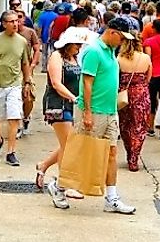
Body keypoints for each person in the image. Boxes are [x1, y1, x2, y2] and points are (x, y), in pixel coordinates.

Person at [48, 17, 139, 214]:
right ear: (113, 32)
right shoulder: (94, 51)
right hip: (93, 110)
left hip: (109, 111)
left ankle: (112, 198)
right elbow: (87, 83)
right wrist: (87, 111)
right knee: (82, 152)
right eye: (122, 38)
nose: (123, 42)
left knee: (112, 153)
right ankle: (59, 186)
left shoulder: (110, 52)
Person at [36, 28, 87, 209]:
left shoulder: (75, 58)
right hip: (58, 104)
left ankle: (44, 166)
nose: (79, 48)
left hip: (73, 105)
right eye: (76, 45)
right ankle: (64, 184)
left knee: (69, 143)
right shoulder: (56, 57)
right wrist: (72, 97)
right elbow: (56, 83)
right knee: (70, 144)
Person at [0, 10, 32, 167]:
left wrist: (27, 82)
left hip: (14, 84)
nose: (15, 24)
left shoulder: (22, 41)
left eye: (17, 21)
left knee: (14, 117)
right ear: (3, 24)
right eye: (11, 21)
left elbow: (25, 63)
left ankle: (11, 152)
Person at [115, 20, 153, 171]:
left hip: (124, 94)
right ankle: (134, 157)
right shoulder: (145, 58)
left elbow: (115, 78)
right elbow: (148, 78)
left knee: (125, 126)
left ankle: (129, 151)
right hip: (141, 94)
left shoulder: (118, 59)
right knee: (139, 126)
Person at [17, 14, 42, 137]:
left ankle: (26, 117)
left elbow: (37, 49)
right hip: (12, 69)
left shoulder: (30, 32)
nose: (17, 19)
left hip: (26, 68)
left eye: (20, 16)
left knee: (28, 97)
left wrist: (32, 65)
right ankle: (16, 124)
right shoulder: (8, 32)